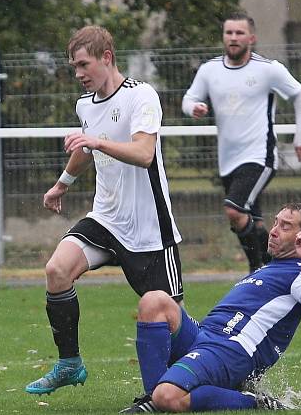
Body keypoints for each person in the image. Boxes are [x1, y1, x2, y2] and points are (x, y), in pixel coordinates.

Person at [26, 25, 184, 395]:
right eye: (74, 67)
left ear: (107, 58)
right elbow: (85, 148)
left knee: (172, 322)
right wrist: (63, 183)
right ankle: (69, 363)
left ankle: (200, 376)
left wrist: (97, 140)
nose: (78, 73)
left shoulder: (141, 96)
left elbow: (144, 154)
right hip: (106, 219)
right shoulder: (86, 104)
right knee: (57, 270)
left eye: (84, 64)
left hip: (149, 230)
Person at [118, 202, 301, 413]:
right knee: (154, 301)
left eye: (285, 226)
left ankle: (252, 401)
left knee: (168, 396)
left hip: (230, 351)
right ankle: (151, 397)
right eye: (275, 223)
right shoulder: (270, 268)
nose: (273, 231)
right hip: (204, 336)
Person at [182, 11, 301, 273]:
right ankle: (282, 268)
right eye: (229, 33)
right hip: (227, 160)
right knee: (252, 220)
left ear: (251, 38)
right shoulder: (210, 70)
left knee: (234, 210)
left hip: (258, 156)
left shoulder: (268, 70)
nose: (233, 38)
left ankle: (259, 270)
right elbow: (188, 98)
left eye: (239, 33)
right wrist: (193, 107)